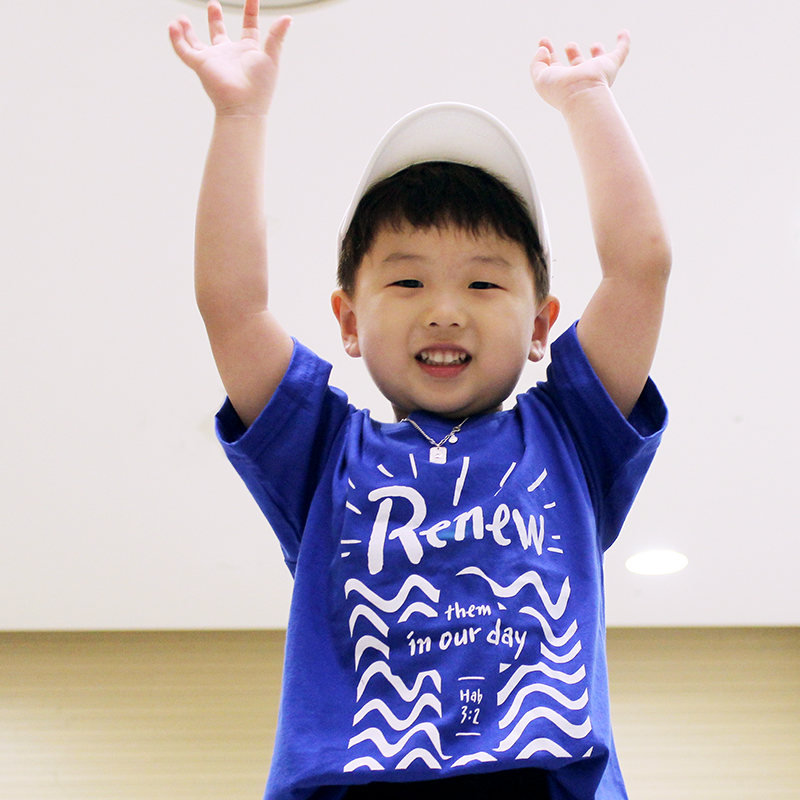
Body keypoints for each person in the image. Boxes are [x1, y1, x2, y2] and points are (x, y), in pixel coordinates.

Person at [169, 1, 670, 798]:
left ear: (542, 326)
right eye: (406, 281)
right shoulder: (323, 455)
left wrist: (587, 101)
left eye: (483, 283)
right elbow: (232, 308)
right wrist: (240, 116)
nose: (444, 310)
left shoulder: (571, 435)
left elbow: (639, 271)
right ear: (348, 322)